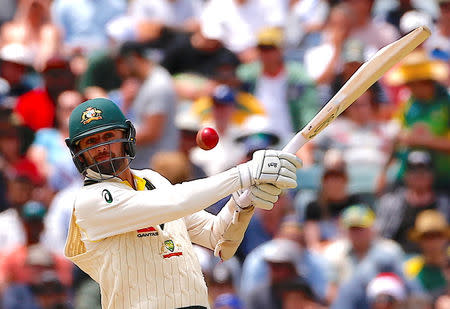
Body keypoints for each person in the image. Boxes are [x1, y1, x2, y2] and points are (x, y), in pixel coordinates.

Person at [63, 97, 302, 308]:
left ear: (126, 136)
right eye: (90, 142)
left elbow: (218, 239)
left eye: (108, 137)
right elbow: (174, 202)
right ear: (79, 153)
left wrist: (241, 203)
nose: (102, 148)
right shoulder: (90, 201)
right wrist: (243, 175)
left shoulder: (152, 179)